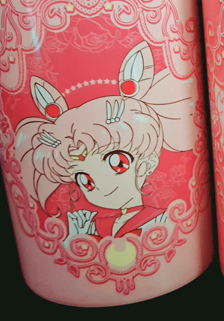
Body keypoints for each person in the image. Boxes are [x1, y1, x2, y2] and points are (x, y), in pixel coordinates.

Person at [15, 41, 196, 242]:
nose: (101, 185)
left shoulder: (162, 219)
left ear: (146, 165)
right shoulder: (92, 224)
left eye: (118, 163)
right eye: (86, 180)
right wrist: (79, 234)